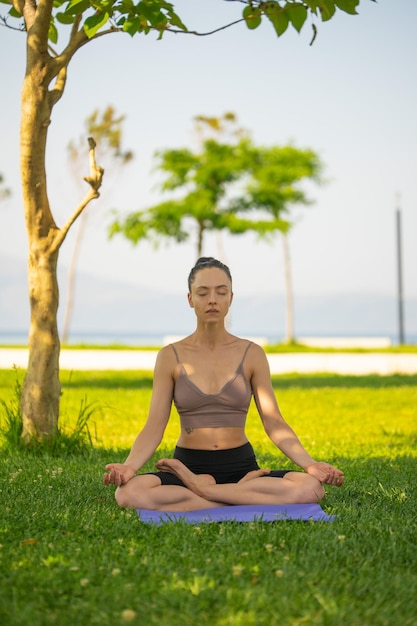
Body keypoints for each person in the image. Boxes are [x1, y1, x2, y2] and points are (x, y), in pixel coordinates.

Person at [104, 257, 344, 511]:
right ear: (190, 299)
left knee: (311, 488)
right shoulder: (169, 356)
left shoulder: (252, 353)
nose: (212, 300)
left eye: (221, 292)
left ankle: (204, 491)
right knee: (128, 494)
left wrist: (310, 464)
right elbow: (154, 426)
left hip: (239, 465)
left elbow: (274, 422)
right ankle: (237, 495)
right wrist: (129, 467)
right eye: (203, 292)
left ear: (230, 298)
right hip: (189, 465)